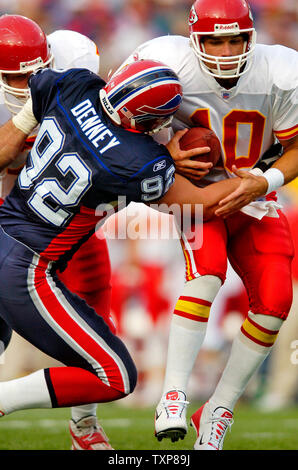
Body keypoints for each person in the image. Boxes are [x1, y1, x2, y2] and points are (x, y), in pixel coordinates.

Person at [0, 56, 244, 449]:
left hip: (4, 229)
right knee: (115, 375)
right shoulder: (135, 161)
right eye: (158, 122)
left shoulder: (75, 83)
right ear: (144, 119)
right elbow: (204, 203)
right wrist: (263, 180)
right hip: (25, 267)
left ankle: (84, 433)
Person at [121, 0, 298, 450]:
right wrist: (165, 154)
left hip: (254, 190)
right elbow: (120, 125)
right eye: (214, 39)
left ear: (250, 37)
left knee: (276, 299)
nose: (224, 49)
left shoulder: (281, 69)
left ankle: (218, 409)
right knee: (206, 274)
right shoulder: (165, 59)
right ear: (194, 38)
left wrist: (266, 180)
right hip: (196, 194)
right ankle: (173, 394)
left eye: (234, 38)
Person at [0, 13, 114, 450]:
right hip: (10, 199)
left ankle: (84, 426)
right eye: (14, 75)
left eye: (36, 73)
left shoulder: (76, 54)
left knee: (96, 296)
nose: (27, 82)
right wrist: (29, 116)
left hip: (67, 199)